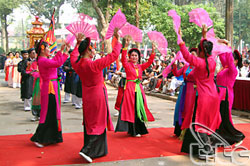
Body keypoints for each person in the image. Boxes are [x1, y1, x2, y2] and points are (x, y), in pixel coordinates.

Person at [70, 32, 122, 163]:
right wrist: (117, 39)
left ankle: (98, 150)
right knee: (98, 123)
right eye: (92, 48)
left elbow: (73, 56)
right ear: (88, 50)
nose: (94, 50)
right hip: (98, 96)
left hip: (87, 96)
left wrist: (77, 44)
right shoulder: (94, 65)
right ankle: (87, 150)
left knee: (90, 122)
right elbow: (114, 55)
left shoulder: (78, 64)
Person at [178, 25, 221, 159]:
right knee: (207, 123)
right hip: (213, 96)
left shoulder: (200, 63)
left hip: (203, 97)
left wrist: (180, 39)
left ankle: (206, 151)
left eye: (198, 49)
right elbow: (206, 47)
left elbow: (186, 55)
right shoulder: (211, 61)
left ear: (201, 51)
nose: (196, 50)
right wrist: (204, 35)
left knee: (200, 123)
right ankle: (206, 149)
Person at [30, 40, 69, 147]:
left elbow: (55, 61)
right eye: (48, 47)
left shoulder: (44, 59)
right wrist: (64, 53)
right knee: (48, 113)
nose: (49, 49)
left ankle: (51, 137)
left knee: (52, 112)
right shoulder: (42, 60)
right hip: (49, 88)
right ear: (42, 49)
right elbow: (57, 63)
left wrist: (62, 51)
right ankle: (40, 138)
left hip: (52, 87)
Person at [115, 38, 155, 137]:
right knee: (131, 109)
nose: (134, 57)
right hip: (129, 89)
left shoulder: (141, 67)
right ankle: (132, 130)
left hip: (139, 89)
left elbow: (150, 62)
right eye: (132, 55)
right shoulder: (127, 65)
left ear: (138, 57)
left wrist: (153, 51)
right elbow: (123, 59)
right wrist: (125, 47)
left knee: (139, 109)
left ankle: (139, 129)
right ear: (130, 56)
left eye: (136, 55)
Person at [216, 45, 245, 145]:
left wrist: (228, 48)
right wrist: (220, 45)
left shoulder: (233, 70)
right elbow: (222, 56)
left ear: (236, 61)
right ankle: (220, 137)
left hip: (226, 95)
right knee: (219, 116)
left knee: (225, 117)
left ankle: (237, 136)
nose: (229, 60)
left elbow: (227, 58)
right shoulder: (225, 68)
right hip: (220, 94)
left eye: (232, 59)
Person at [172, 48, 197, 137]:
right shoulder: (186, 66)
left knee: (188, 109)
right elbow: (177, 74)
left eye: (194, 54)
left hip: (192, 89)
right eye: (191, 54)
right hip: (184, 88)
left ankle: (187, 131)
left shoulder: (198, 66)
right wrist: (174, 66)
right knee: (180, 108)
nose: (192, 56)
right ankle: (178, 130)